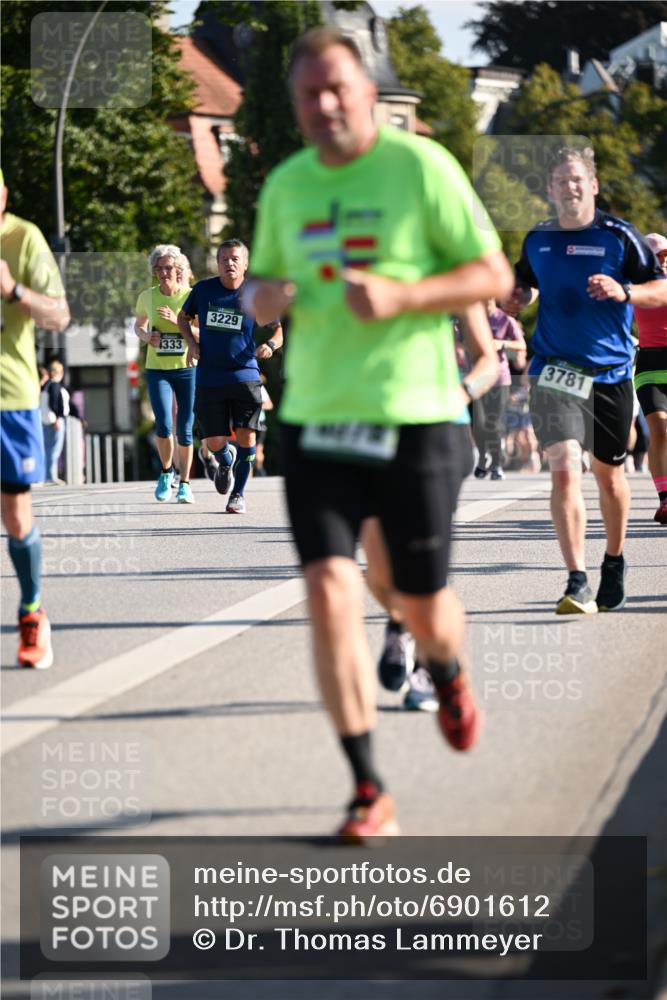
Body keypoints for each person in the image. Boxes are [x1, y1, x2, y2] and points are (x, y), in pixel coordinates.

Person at [244, 27, 513, 841]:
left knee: (418, 602)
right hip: (316, 419)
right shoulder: (286, 186)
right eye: (308, 94)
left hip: (415, 416)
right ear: (295, 107)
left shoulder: (419, 168)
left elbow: (492, 275)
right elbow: (260, 288)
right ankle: (367, 786)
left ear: (365, 92)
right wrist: (265, 297)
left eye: (337, 88)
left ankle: (445, 666)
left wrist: (401, 297)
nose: (323, 105)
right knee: (330, 590)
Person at [505, 146, 666, 614]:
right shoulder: (539, 237)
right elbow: (526, 284)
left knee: (609, 475)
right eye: (561, 180)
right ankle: (576, 579)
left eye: (577, 179)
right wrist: (517, 298)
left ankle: (613, 560)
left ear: (592, 185)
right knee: (563, 465)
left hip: (609, 372)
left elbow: (661, 288)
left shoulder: (620, 236)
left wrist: (625, 291)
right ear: (550, 189)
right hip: (555, 368)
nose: (569, 187)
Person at [367, 302, 500, 713]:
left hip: (439, 430)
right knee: (378, 564)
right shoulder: (349, 272)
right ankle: (400, 622)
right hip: (367, 425)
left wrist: (459, 394)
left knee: (427, 571)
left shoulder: (450, 276)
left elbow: (488, 364)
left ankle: (431, 668)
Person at [0, 168, 70, 668]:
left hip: (11, 399)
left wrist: (14, 292)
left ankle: (31, 612)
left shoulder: (24, 238)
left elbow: (60, 316)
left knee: (15, 515)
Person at [177, 239, 283, 514]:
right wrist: (191, 343)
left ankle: (238, 495)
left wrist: (270, 345)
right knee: (214, 442)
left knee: (247, 437)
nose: (229, 263)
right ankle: (225, 460)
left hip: (244, 374)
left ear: (245, 264)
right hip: (209, 376)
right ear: (218, 263)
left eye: (235, 259)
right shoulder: (203, 290)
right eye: (224, 259)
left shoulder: (254, 294)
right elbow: (182, 318)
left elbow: (278, 330)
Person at [134, 244, 196, 504]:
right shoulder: (147, 297)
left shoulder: (190, 296)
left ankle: (185, 484)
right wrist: (147, 336)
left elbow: (203, 333)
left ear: (178, 268)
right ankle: (166, 471)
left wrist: (176, 322)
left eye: (168, 267)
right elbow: (138, 326)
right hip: (157, 368)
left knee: (185, 429)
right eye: (158, 268)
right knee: (163, 425)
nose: (163, 272)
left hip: (186, 368)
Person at [632, 232, 667, 523]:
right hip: (649, 365)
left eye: (666, 254)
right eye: (656, 255)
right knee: (660, 430)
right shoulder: (633, 287)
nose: (662, 260)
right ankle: (665, 498)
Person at [472, 301, 526, 480]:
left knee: (494, 423)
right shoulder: (472, 316)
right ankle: (483, 456)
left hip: (499, 378)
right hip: (476, 377)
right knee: (478, 422)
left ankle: (496, 463)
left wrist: (501, 343)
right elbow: (458, 341)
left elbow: (521, 345)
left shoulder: (505, 320)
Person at [40, 359, 70, 484]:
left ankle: (47, 475)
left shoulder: (46, 385)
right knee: (54, 449)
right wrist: (57, 418)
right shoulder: (55, 385)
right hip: (55, 421)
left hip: (45, 420)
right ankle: (50, 476)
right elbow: (54, 403)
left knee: (47, 449)